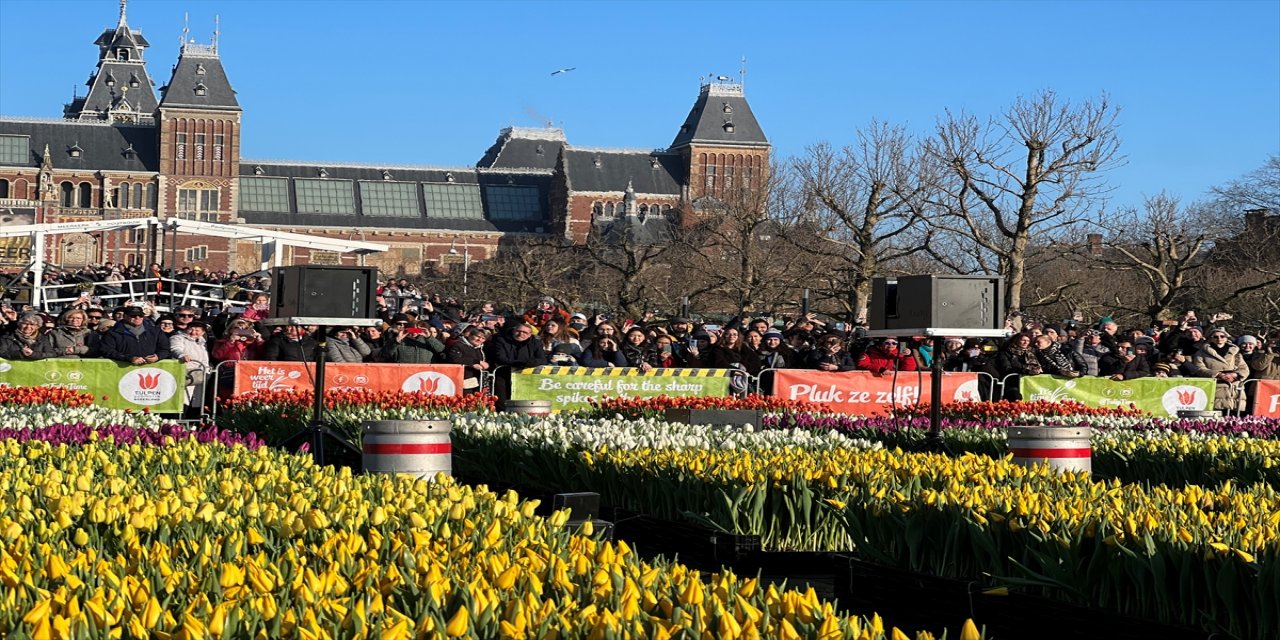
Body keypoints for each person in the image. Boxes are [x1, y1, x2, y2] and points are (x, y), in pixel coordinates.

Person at [1188, 327, 1250, 412]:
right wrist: (1219, 374)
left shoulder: (1235, 352)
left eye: (1222, 336)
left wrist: (1234, 375)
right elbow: (1199, 368)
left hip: (1233, 387)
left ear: (1226, 338)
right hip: (1215, 387)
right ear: (1211, 338)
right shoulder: (1201, 353)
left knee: (1234, 418)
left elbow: (1244, 368)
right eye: (1215, 337)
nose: (1219, 339)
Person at [485, 322, 548, 403]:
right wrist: (518, 363)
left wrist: (527, 363)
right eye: (518, 331)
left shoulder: (536, 343)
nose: (520, 334)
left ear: (530, 334)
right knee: (502, 400)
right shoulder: (501, 339)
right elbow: (499, 357)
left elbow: (542, 359)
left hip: (526, 376)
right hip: (504, 373)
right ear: (513, 330)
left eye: (524, 332)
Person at [97, 306, 171, 365]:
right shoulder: (113, 332)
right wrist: (129, 358)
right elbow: (106, 350)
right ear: (125, 316)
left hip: (151, 370)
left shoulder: (155, 331)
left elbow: (165, 349)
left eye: (140, 315)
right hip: (122, 370)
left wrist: (158, 356)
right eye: (133, 315)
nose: (137, 318)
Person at [169, 321, 212, 416]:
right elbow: (175, 348)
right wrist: (181, 355)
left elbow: (205, 359)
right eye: (191, 329)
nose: (193, 332)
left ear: (203, 332)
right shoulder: (178, 338)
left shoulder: (202, 343)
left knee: (193, 401)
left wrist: (207, 370)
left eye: (197, 330)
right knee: (181, 400)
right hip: (183, 373)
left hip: (198, 376)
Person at [990, 334, 1042, 401]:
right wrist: (1026, 371)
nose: (1026, 342)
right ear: (1017, 340)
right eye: (1023, 340)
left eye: (1028, 341)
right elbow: (1006, 368)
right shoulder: (1006, 353)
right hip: (1012, 383)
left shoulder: (1033, 352)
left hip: (1031, 383)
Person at [381, 314, 447, 363]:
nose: (415, 331)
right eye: (412, 329)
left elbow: (442, 350)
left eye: (418, 330)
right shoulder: (400, 341)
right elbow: (385, 354)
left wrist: (429, 338)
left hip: (424, 374)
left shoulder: (428, 341)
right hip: (403, 375)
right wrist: (397, 340)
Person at [445, 327, 490, 394]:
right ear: (470, 335)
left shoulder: (481, 349)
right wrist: (475, 362)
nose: (479, 340)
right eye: (478, 336)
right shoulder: (458, 345)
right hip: (461, 379)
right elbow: (454, 358)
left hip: (477, 381)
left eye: (483, 338)